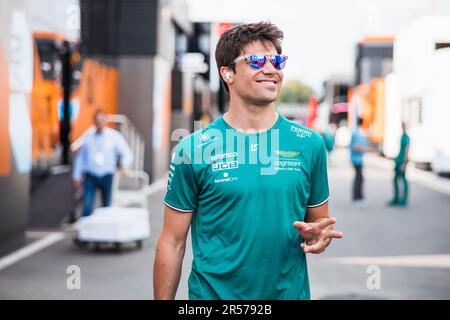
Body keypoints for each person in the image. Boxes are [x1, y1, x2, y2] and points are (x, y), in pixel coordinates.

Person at [153, 22, 343, 300]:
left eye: (277, 60)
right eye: (256, 61)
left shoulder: (309, 144)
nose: (271, 69)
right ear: (227, 73)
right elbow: (172, 241)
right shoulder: (192, 148)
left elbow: (318, 224)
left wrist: (318, 237)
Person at [73, 109, 132, 217]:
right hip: (90, 175)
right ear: (94, 121)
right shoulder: (88, 136)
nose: (99, 122)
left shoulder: (114, 136)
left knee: (107, 207)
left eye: (102, 119)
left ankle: (105, 231)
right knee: (87, 205)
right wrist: (77, 175)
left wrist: (124, 164)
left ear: (106, 120)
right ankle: (85, 230)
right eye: (97, 120)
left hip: (107, 175)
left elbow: (125, 152)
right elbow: (80, 157)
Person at [388, 122, 410, 207]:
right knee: (395, 180)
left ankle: (404, 200)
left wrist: (404, 163)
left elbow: (407, 151)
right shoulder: (402, 136)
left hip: (402, 161)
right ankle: (396, 198)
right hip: (398, 160)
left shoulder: (407, 138)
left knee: (403, 180)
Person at [350, 117, 368, 206]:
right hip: (357, 159)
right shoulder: (357, 134)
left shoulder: (356, 132)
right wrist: (363, 149)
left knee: (359, 178)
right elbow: (355, 147)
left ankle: (358, 197)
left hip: (356, 159)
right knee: (359, 178)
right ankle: (357, 198)